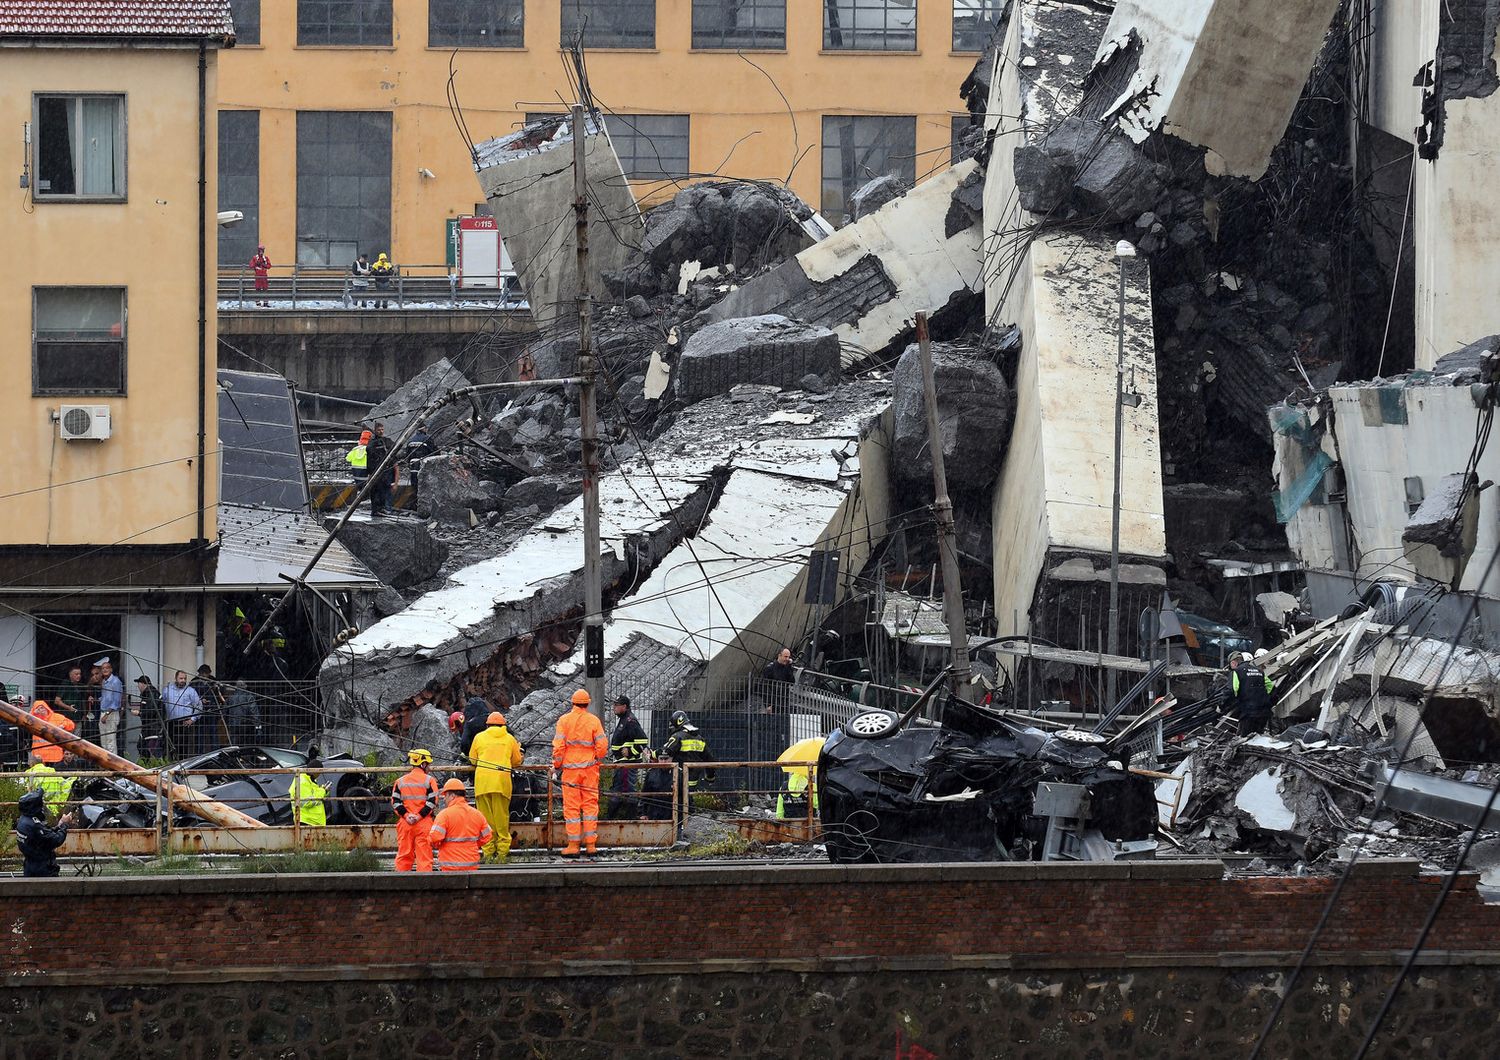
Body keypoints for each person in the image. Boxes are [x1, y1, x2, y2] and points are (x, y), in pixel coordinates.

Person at [551, 689, 607, 858]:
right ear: (588, 703)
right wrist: (596, 757)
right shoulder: (593, 721)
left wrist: (556, 765)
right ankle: (591, 846)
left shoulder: (564, 721)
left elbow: (559, 747)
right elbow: (603, 746)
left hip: (570, 772)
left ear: (572, 703)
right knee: (590, 806)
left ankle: (573, 846)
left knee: (572, 808)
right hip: (590, 770)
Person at [469, 711, 523, 862]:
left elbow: (473, 760)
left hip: (482, 784)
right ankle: (502, 854)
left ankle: (487, 852)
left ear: (487, 725)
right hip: (501, 783)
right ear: (503, 725)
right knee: (501, 820)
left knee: (485, 821)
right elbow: (517, 761)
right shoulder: (509, 739)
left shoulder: (479, 737)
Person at [661, 710, 714, 833]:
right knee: (687, 800)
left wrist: (652, 754)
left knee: (677, 802)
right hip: (693, 779)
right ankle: (689, 825)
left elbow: (665, 752)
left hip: (679, 778)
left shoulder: (677, 737)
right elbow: (710, 760)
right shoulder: (700, 739)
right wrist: (710, 777)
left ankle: (679, 829)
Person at [391, 748, 440, 872]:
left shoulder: (400, 781)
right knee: (424, 858)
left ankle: (400, 886)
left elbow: (395, 802)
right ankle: (424, 887)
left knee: (403, 856)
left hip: (405, 824)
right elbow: (432, 802)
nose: (429, 768)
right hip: (423, 824)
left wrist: (407, 816)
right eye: (428, 764)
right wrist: (418, 817)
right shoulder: (429, 781)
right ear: (423, 764)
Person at [429, 779, 492, 873]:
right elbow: (488, 835)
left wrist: (439, 845)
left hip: (449, 867)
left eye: (445, 796)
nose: (444, 799)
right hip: (471, 866)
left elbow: (434, 838)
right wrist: (473, 844)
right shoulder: (477, 814)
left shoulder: (444, 815)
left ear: (452, 796)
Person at [606, 694, 649, 820]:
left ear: (624, 706)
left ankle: (622, 818)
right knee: (620, 790)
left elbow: (642, 741)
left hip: (626, 764)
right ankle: (618, 818)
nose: (614, 708)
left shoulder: (630, 721)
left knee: (624, 791)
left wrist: (630, 752)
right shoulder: (624, 719)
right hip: (621, 763)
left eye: (616, 705)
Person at [16, 790, 71, 878]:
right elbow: (57, 840)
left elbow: (44, 835)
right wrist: (64, 824)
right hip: (42, 869)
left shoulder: (24, 820)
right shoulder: (34, 824)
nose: (43, 807)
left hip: (30, 865)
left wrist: (59, 825)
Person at [1228, 652, 1275, 735]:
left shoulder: (1237, 671)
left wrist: (1231, 702)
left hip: (1248, 712)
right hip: (1264, 711)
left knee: (1245, 738)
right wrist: (1259, 695)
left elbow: (1233, 690)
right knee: (1258, 737)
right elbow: (1270, 686)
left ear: (1234, 663)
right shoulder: (1259, 671)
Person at [161, 670, 203, 758]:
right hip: (171, 723)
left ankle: (182, 767)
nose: (183, 680)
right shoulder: (167, 690)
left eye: (185, 678)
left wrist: (192, 719)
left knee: (183, 749)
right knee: (169, 746)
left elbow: (199, 706)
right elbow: (162, 703)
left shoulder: (190, 691)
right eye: (181, 678)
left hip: (185, 723)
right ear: (175, 678)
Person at [191, 665, 227, 750]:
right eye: (202, 673)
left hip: (212, 710)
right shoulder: (195, 682)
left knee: (213, 732)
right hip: (199, 711)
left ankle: (215, 753)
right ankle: (199, 754)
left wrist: (217, 688)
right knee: (200, 734)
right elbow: (190, 695)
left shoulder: (213, 681)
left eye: (206, 673)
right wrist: (199, 700)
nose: (204, 675)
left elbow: (221, 692)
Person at [29, 700, 74, 765]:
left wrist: (63, 726)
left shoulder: (57, 717)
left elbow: (71, 725)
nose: (41, 710)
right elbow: (25, 721)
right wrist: (33, 713)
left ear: (46, 707)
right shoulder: (34, 720)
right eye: (38, 708)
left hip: (54, 755)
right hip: (39, 756)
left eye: (42, 707)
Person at [97, 656, 126, 757]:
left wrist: (107, 714)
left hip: (111, 713)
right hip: (103, 711)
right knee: (103, 741)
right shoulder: (104, 681)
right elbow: (106, 698)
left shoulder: (116, 681)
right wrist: (97, 699)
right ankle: (106, 762)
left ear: (111, 669)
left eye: (107, 668)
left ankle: (113, 764)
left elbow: (116, 701)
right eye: (103, 668)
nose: (104, 670)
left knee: (110, 741)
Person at [52, 665, 88, 745]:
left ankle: (75, 757)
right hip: (67, 719)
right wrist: (68, 707)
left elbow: (83, 700)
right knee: (67, 740)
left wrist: (84, 714)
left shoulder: (80, 686)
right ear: (70, 675)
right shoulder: (65, 684)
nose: (79, 676)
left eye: (79, 674)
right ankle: (67, 757)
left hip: (78, 718)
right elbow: (57, 701)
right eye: (76, 674)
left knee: (77, 741)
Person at [133, 675, 167, 760]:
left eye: (138, 684)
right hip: (147, 729)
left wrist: (139, 713)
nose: (138, 686)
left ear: (143, 684)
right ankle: (146, 766)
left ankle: (158, 768)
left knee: (155, 751)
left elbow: (152, 710)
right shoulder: (147, 694)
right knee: (141, 746)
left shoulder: (151, 694)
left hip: (153, 729)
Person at [366, 422, 395, 517]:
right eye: (379, 430)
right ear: (375, 430)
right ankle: (375, 510)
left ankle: (382, 508)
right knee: (376, 491)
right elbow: (370, 457)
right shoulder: (372, 443)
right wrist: (370, 472)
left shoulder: (385, 441)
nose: (381, 431)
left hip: (384, 471)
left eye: (382, 429)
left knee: (383, 490)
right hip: (375, 470)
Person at [290, 758, 328, 827]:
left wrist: (324, 790)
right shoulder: (303, 782)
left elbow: (314, 795)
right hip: (307, 822)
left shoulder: (309, 780)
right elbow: (308, 802)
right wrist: (323, 791)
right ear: (315, 771)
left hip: (311, 821)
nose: (319, 775)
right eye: (319, 772)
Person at [224, 679, 262, 745]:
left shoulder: (230, 698)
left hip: (233, 724)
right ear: (245, 686)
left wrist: (226, 723)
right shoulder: (249, 697)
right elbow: (254, 713)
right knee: (246, 745)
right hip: (245, 724)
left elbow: (224, 712)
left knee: (234, 744)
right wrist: (258, 727)